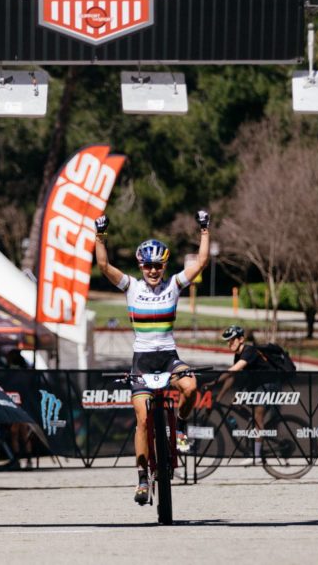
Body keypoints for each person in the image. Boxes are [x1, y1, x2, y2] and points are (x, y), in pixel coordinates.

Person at [94, 209, 210, 505]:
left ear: (165, 266)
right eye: (148, 266)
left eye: (158, 266)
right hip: (142, 361)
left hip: (168, 357)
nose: (154, 271)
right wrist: (101, 235)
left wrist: (204, 230)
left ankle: (181, 426)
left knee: (191, 387)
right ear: (141, 266)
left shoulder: (173, 285)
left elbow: (202, 262)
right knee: (143, 420)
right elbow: (104, 265)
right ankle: (142, 478)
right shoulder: (132, 287)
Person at [213, 325, 277, 466]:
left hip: (268, 384)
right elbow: (232, 378)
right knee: (234, 403)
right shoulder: (238, 354)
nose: (230, 344)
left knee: (258, 416)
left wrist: (214, 381)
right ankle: (254, 426)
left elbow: (233, 370)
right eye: (228, 341)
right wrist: (219, 396)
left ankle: (257, 455)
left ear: (241, 339)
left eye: (232, 340)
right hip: (255, 385)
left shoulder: (249, 351)